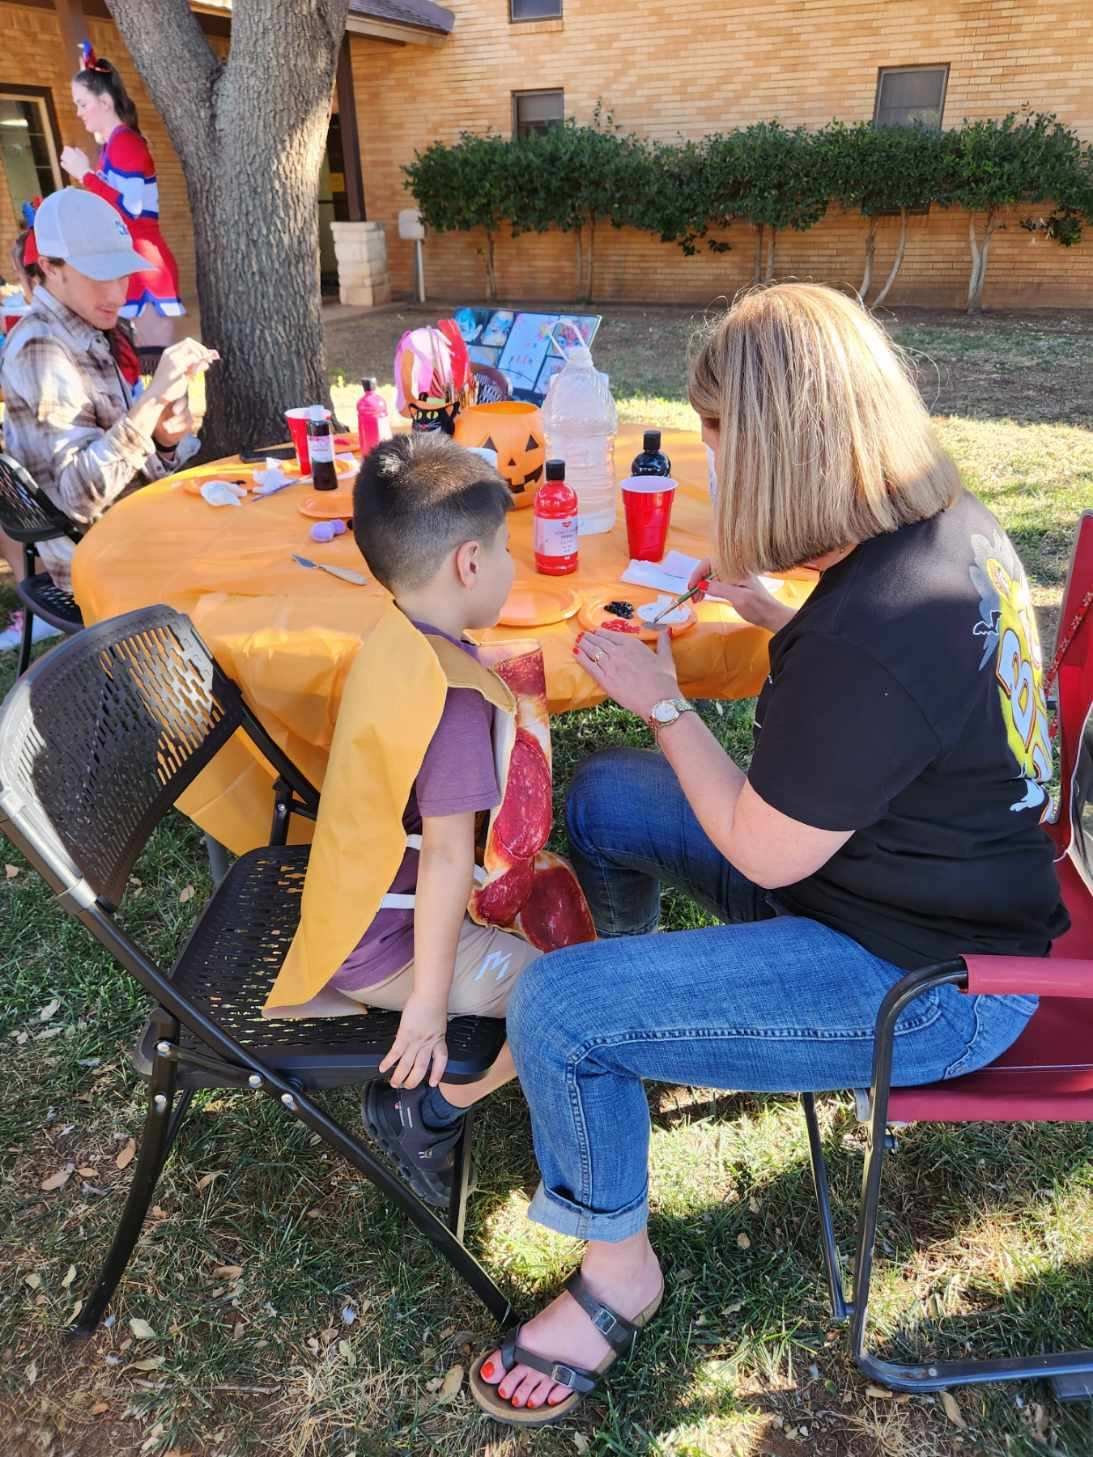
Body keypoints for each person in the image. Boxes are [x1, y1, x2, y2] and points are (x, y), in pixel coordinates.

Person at [470, 282, 1069, 1425]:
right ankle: (633, 1046)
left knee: (555, 1004)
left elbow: (765, 847)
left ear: (786, 439)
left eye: (716, 431)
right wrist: (769, 612)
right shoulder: (943, 536)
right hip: (906, 880)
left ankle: (616, 1273)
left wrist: (663, 702)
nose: (707, 453)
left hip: (928, 984)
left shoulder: (880, 625)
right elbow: (900, 712)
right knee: (601, 801)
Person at [332, 435, 542, 1204]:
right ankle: (429, 1108)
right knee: (562, 991)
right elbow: (449, 858)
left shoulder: (395, 635)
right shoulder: (451, 699)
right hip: (380, 944)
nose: (512, 564)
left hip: (349, 904)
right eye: (506, 548)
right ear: (469, 562)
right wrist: (424, 1008)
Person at [0, 187, 217, 593]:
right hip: (103, 561)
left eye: (122, 273)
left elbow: (120, 465)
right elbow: (78, 500)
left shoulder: (89, 329)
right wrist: (151, 402)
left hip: (135, 524)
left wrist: (163, 438)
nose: (118, 293)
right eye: (99, 275)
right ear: (49, 266)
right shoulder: (42, 347)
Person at [61, 46, 184, 349]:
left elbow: (130, 209)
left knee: (158, 368)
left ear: (104, 102)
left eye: (82, 103)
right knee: (146, 366)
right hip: (130, 260)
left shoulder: (126, 143)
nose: (78, 112)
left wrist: (85, 174)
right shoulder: (113, 146)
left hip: (143, 260)